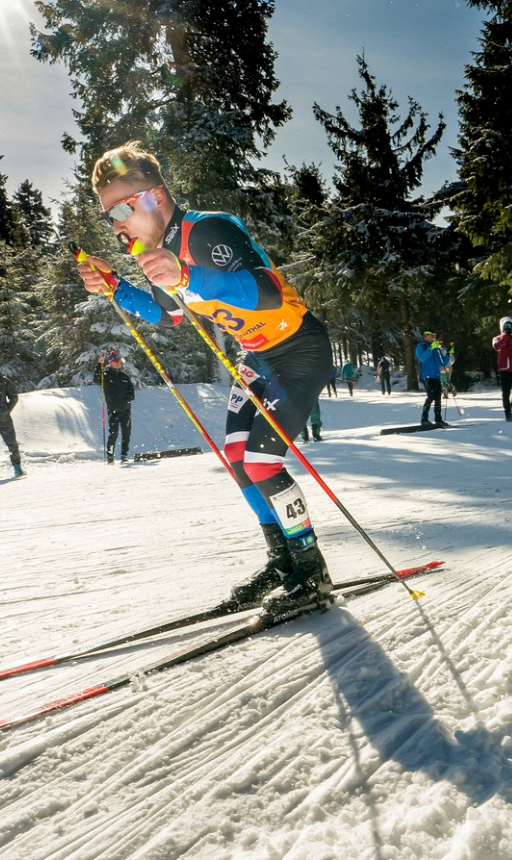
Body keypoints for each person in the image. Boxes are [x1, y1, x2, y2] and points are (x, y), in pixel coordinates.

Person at [74, 140, 334, 616]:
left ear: (156, 197)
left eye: (122, 209)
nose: (116, 224)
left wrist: (187, 277)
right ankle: (282, 561)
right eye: (108, 216)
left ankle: (311, 569)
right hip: (258, 358)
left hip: (299, 350)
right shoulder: (157, 253)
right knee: (237, 458)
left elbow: (267, 292)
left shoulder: (207, 229)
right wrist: (115, 285)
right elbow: (168, 314)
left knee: (261, 463)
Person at [99, 350, 136, 463]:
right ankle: (110, 457)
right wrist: (99, 364)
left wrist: (128, 397)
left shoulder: (124, 376)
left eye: (119, 361)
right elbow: (97, 378)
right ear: (110, 362)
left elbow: (131, 393)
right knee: (113, 433)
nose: (118, 363)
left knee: (126, 433)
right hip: (113, 410)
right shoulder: (105, 375)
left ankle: (124, 456)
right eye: (115, 361)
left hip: (126, 410)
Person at [416, 330, 449, 427]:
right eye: (432, 335)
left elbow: (443, 362)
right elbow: (422, 358)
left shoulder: (436, 348)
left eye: (435, 335)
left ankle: (438, 419)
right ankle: (424, 419)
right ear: (426, 336)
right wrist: (430, 348)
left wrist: (448, 354)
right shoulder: (421, 346)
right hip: (427, 376)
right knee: (430, 397)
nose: (434, 337)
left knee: (438, 398)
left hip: (436, 376)